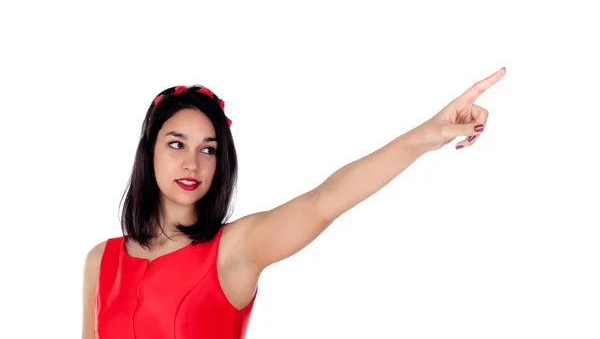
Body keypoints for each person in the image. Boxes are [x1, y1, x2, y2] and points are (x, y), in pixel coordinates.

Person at [82, 67, 506, 339]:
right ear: (149, 151)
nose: (192, 162)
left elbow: (325, 201)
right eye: (177, 144)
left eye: (208, 150)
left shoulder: (235, 250)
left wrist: (426, 136)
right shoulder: (102, 260)